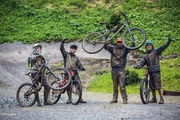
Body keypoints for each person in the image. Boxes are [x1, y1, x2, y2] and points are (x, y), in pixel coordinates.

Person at [134, 37, 172, 104]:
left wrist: (168, 42)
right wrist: (137, 66)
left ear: (152, 46)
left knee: (158, 85)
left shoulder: (156, 52)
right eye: (147, 46)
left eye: (150, 45)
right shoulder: (145, 56)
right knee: (151, 86)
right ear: (146, 47)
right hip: (149, 72)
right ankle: (154, 98)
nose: (148, 47)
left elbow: (162, 47)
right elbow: (142, 62)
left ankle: (161, 98)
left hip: (156, 71)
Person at [104, 38, 132, 104]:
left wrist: (133, 41)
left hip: (121, 69)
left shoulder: (125, 49)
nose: (119, 43)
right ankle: (114, 99)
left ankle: (125, 99)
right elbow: (105, 46)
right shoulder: (112, 48)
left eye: (121, 42)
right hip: (114, 69)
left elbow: (132, 47)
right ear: (117, 43)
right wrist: (106, 38)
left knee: (122, 85)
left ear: (123, 43)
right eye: (118, 42)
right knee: (115, 85)